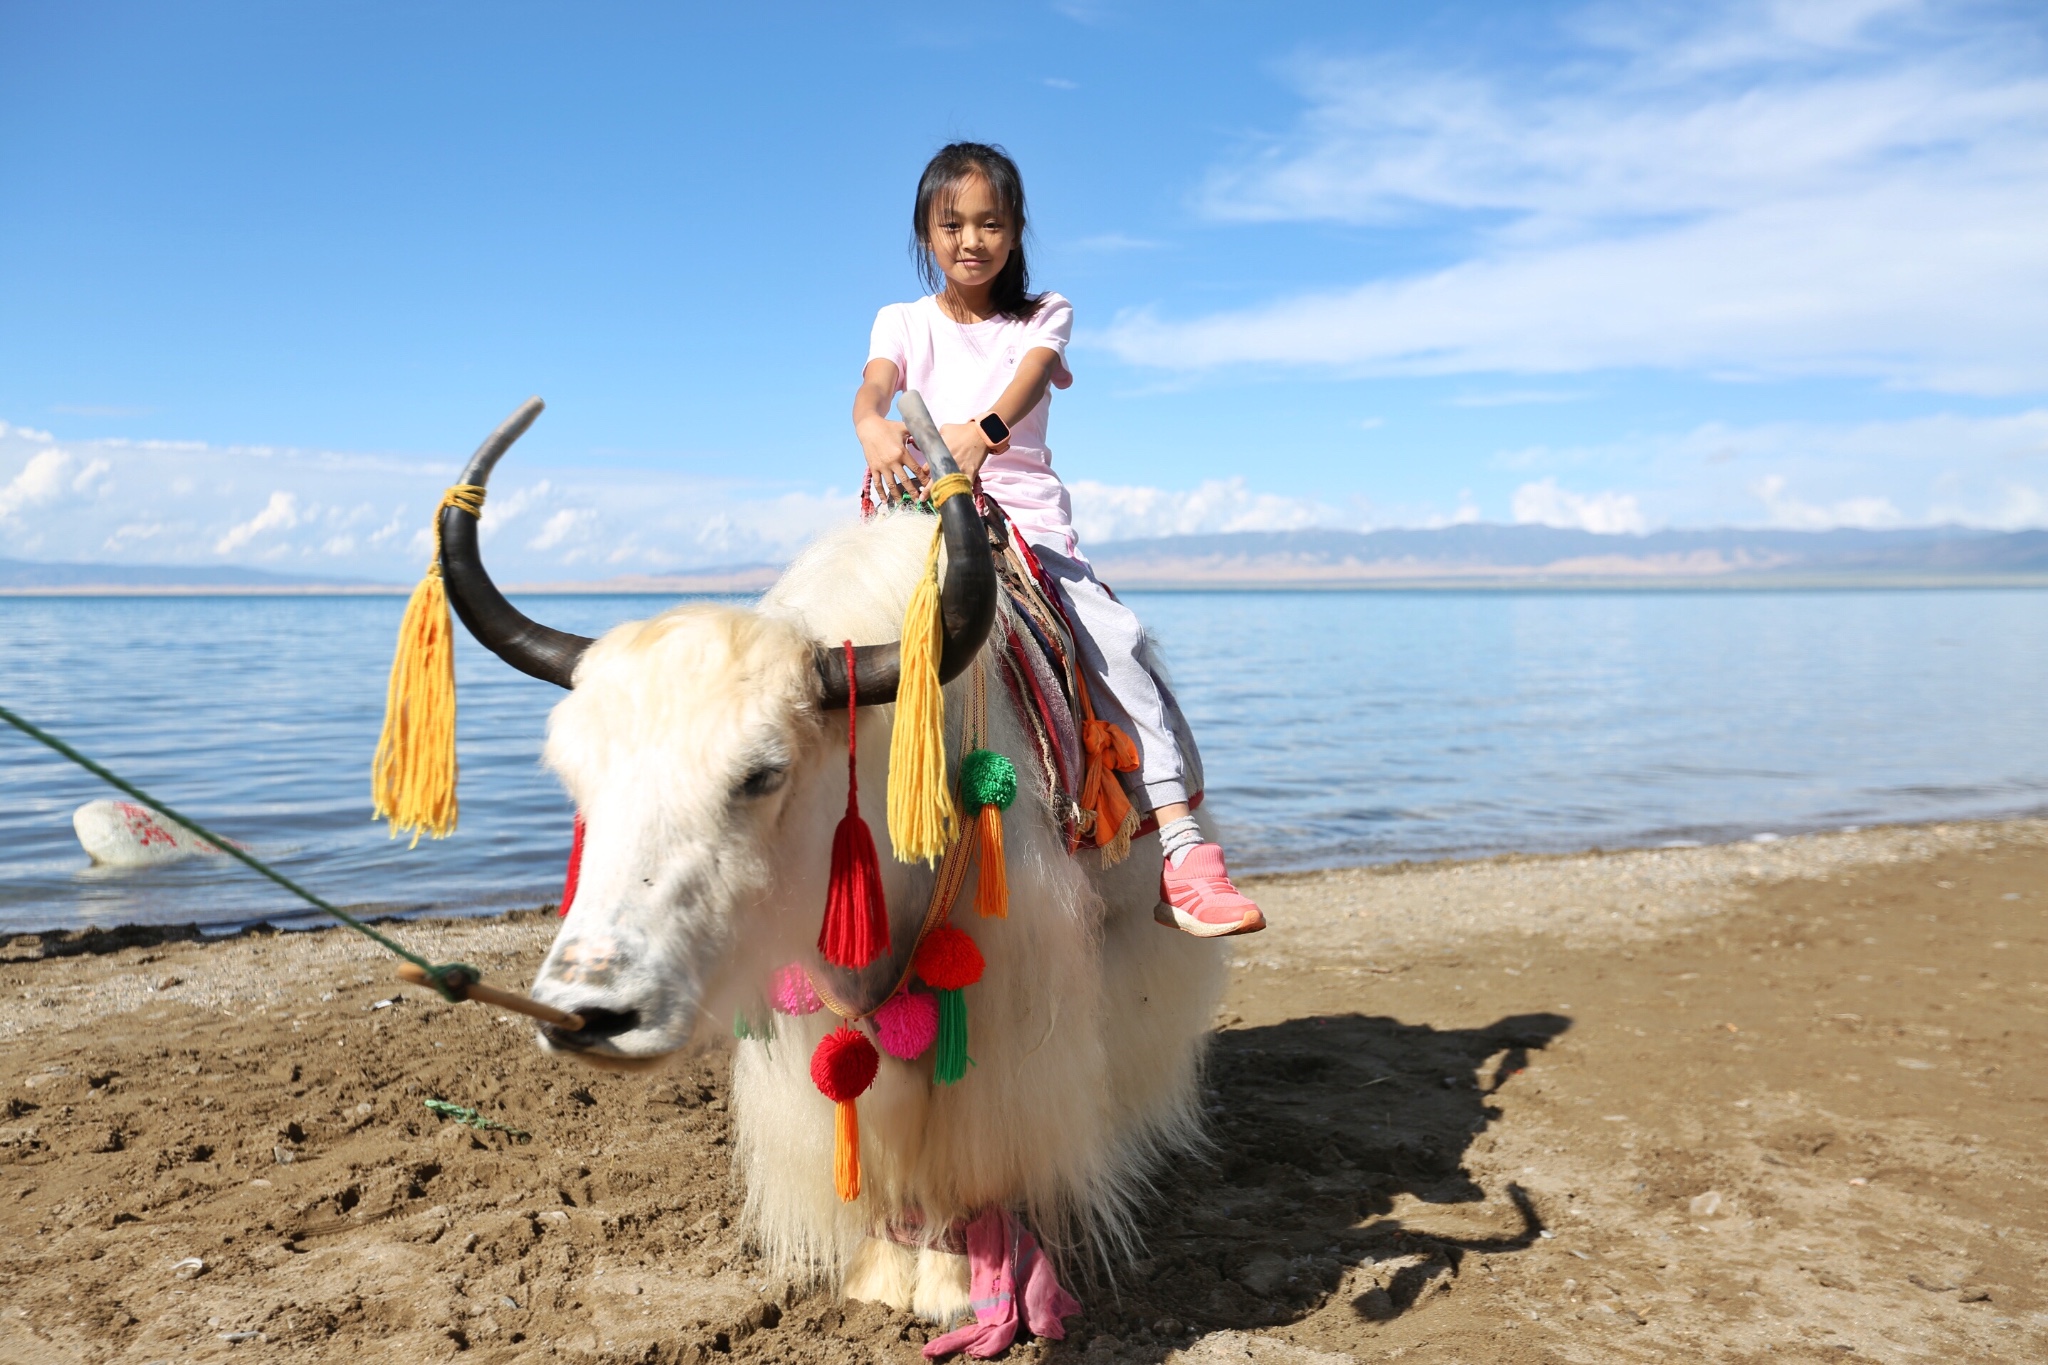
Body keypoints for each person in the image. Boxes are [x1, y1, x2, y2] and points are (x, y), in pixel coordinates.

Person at [852, 141, 1264, 939]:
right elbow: (876, 383)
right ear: (926, 232)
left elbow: (1032, 374)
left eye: (990, 223)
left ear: (1014, 231)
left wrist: (987, 431)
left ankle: (1181, 849)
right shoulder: (900, 321)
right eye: (952, 223)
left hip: (1027, 527)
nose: (971, 240)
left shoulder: (1047, 313)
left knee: (1115, 638)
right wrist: (870, 421)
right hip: (920, 520)